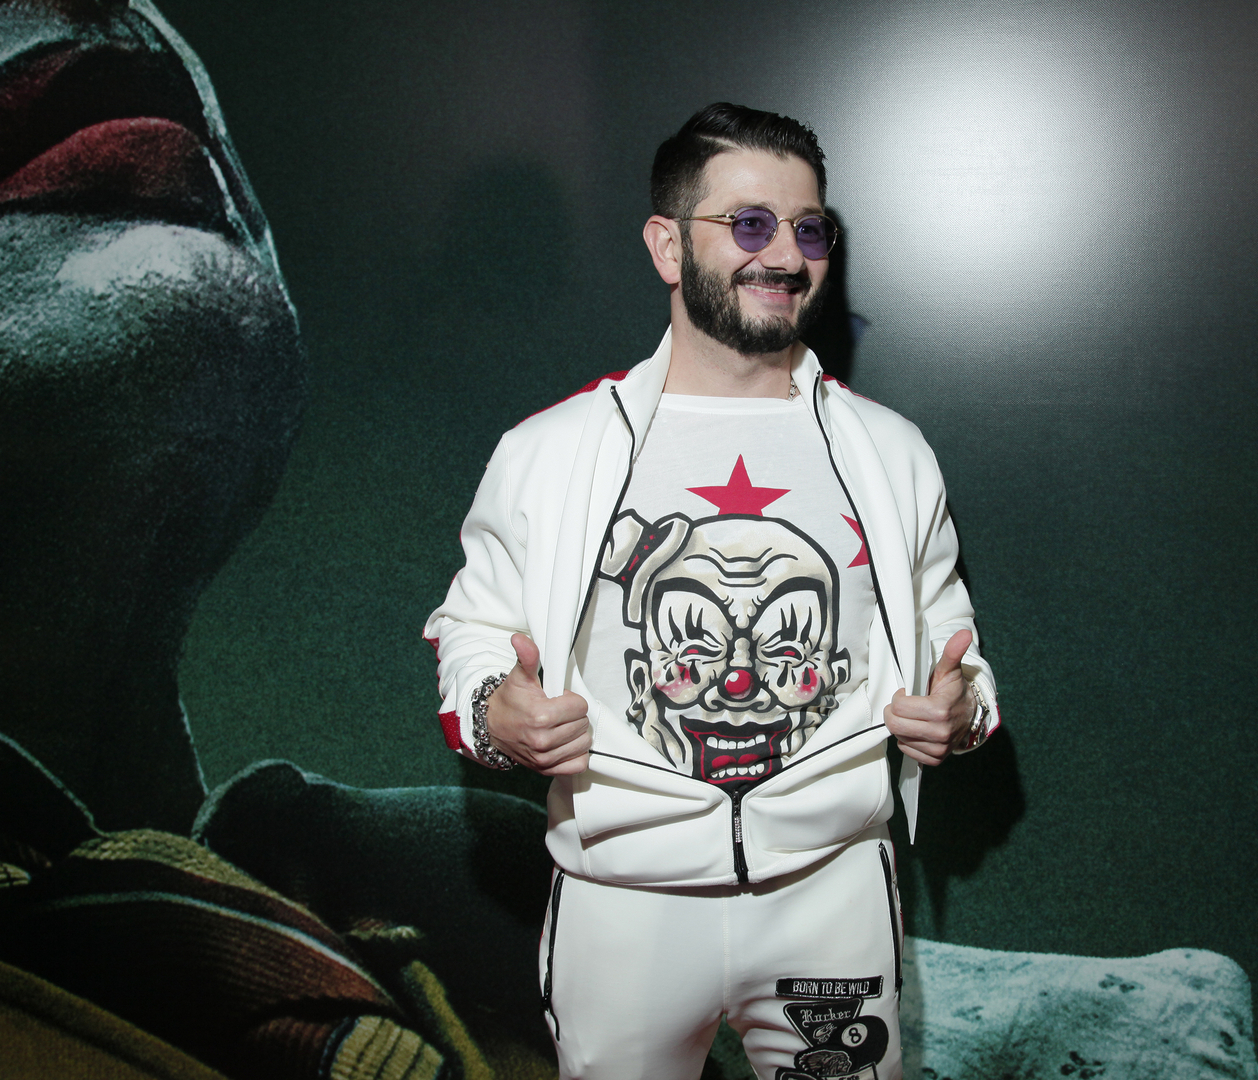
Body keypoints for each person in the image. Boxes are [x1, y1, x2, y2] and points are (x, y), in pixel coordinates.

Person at [425, 102, 999, 1080]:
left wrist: (960, 710)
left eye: (808, 229)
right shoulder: (548, 452)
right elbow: (473, 628)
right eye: (749, 223)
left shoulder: (892, 454)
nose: (784, 255)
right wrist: (495, 712)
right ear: (666, 245)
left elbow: (955, 648)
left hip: (831, 900)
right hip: (624, 906)